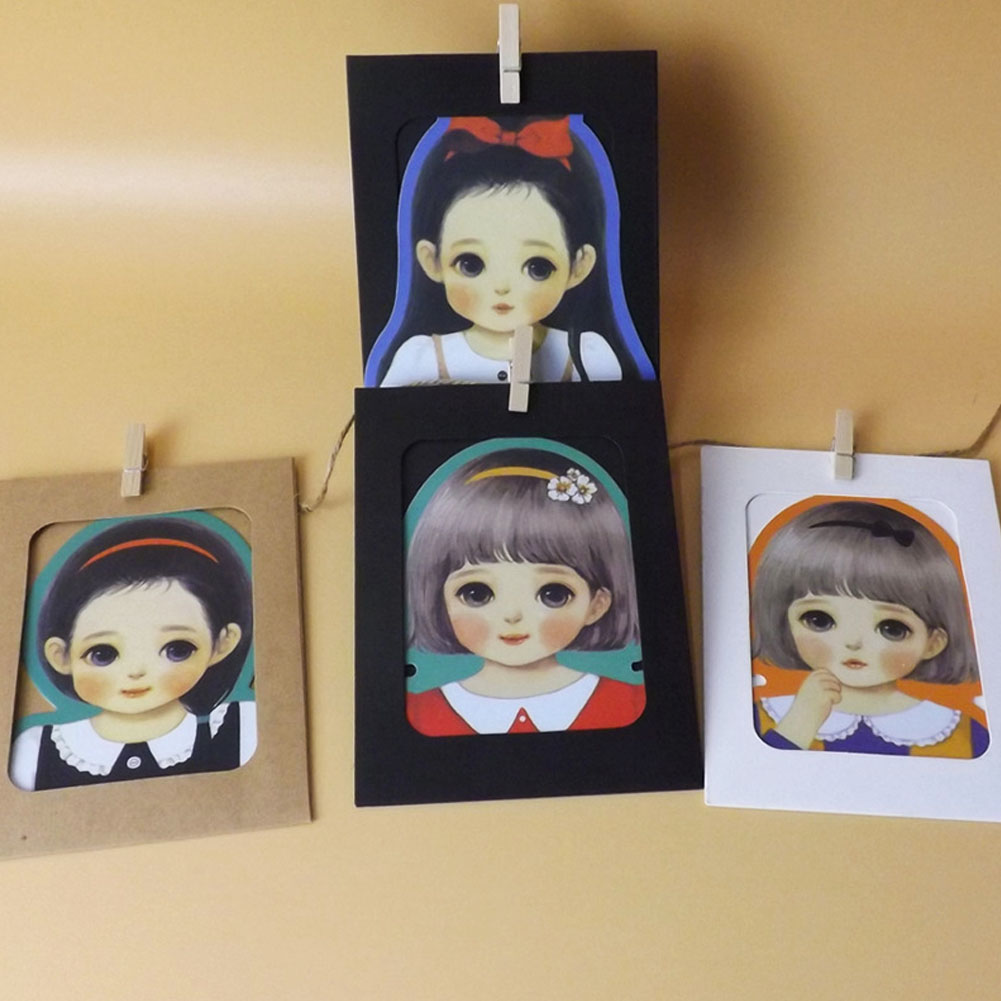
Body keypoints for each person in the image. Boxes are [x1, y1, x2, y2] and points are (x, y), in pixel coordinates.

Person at [365, 115, 656, 387]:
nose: (502, 287)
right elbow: (391, 421)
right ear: (431, 261)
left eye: (538, 267)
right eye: (470, 264)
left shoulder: (588, 356)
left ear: (579, 265)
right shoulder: (420, 358)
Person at [405, 445, 645, 735]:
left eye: (553, 594)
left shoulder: (630, 705)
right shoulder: (418, 714)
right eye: (477, 593)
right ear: (438, 599)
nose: (512, 614)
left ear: (597, 604)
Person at [9, 515, 256, 789]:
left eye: (177, 650)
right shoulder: (35, 752)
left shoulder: (244, 728)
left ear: (222, 644)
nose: (136, 671)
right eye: (103, 654)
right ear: (61, 656)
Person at [750, 499, 988, 757]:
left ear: (933, 642)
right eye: (819, 620)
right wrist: (801, 722)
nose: (853, 642)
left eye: (891, 628)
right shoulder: (765, 719)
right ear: (785, 622)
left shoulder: (962, 734)